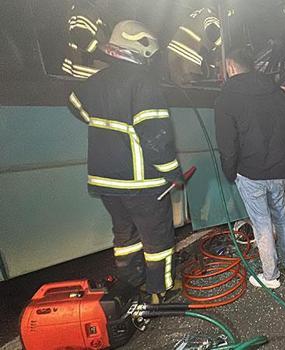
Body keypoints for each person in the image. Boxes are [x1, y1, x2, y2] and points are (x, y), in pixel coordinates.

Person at [67, 20, 183, 303]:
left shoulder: (98, 80)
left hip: (105, 181)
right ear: (142, 48)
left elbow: (74, 103)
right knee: (157, 238)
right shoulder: (144, 84)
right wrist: (173, 173)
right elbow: (157, 137)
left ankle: (132, 284)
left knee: (124, 235)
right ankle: (159, 291)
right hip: (140, 182)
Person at [215, 48, 285, 289]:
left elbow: (227, 143)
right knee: (281, 217)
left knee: (262, 224)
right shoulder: (276, 92)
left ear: (231, 66)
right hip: (279, 171)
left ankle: (271, 277)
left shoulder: (226, 98)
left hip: (251, 172)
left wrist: (230, 171)